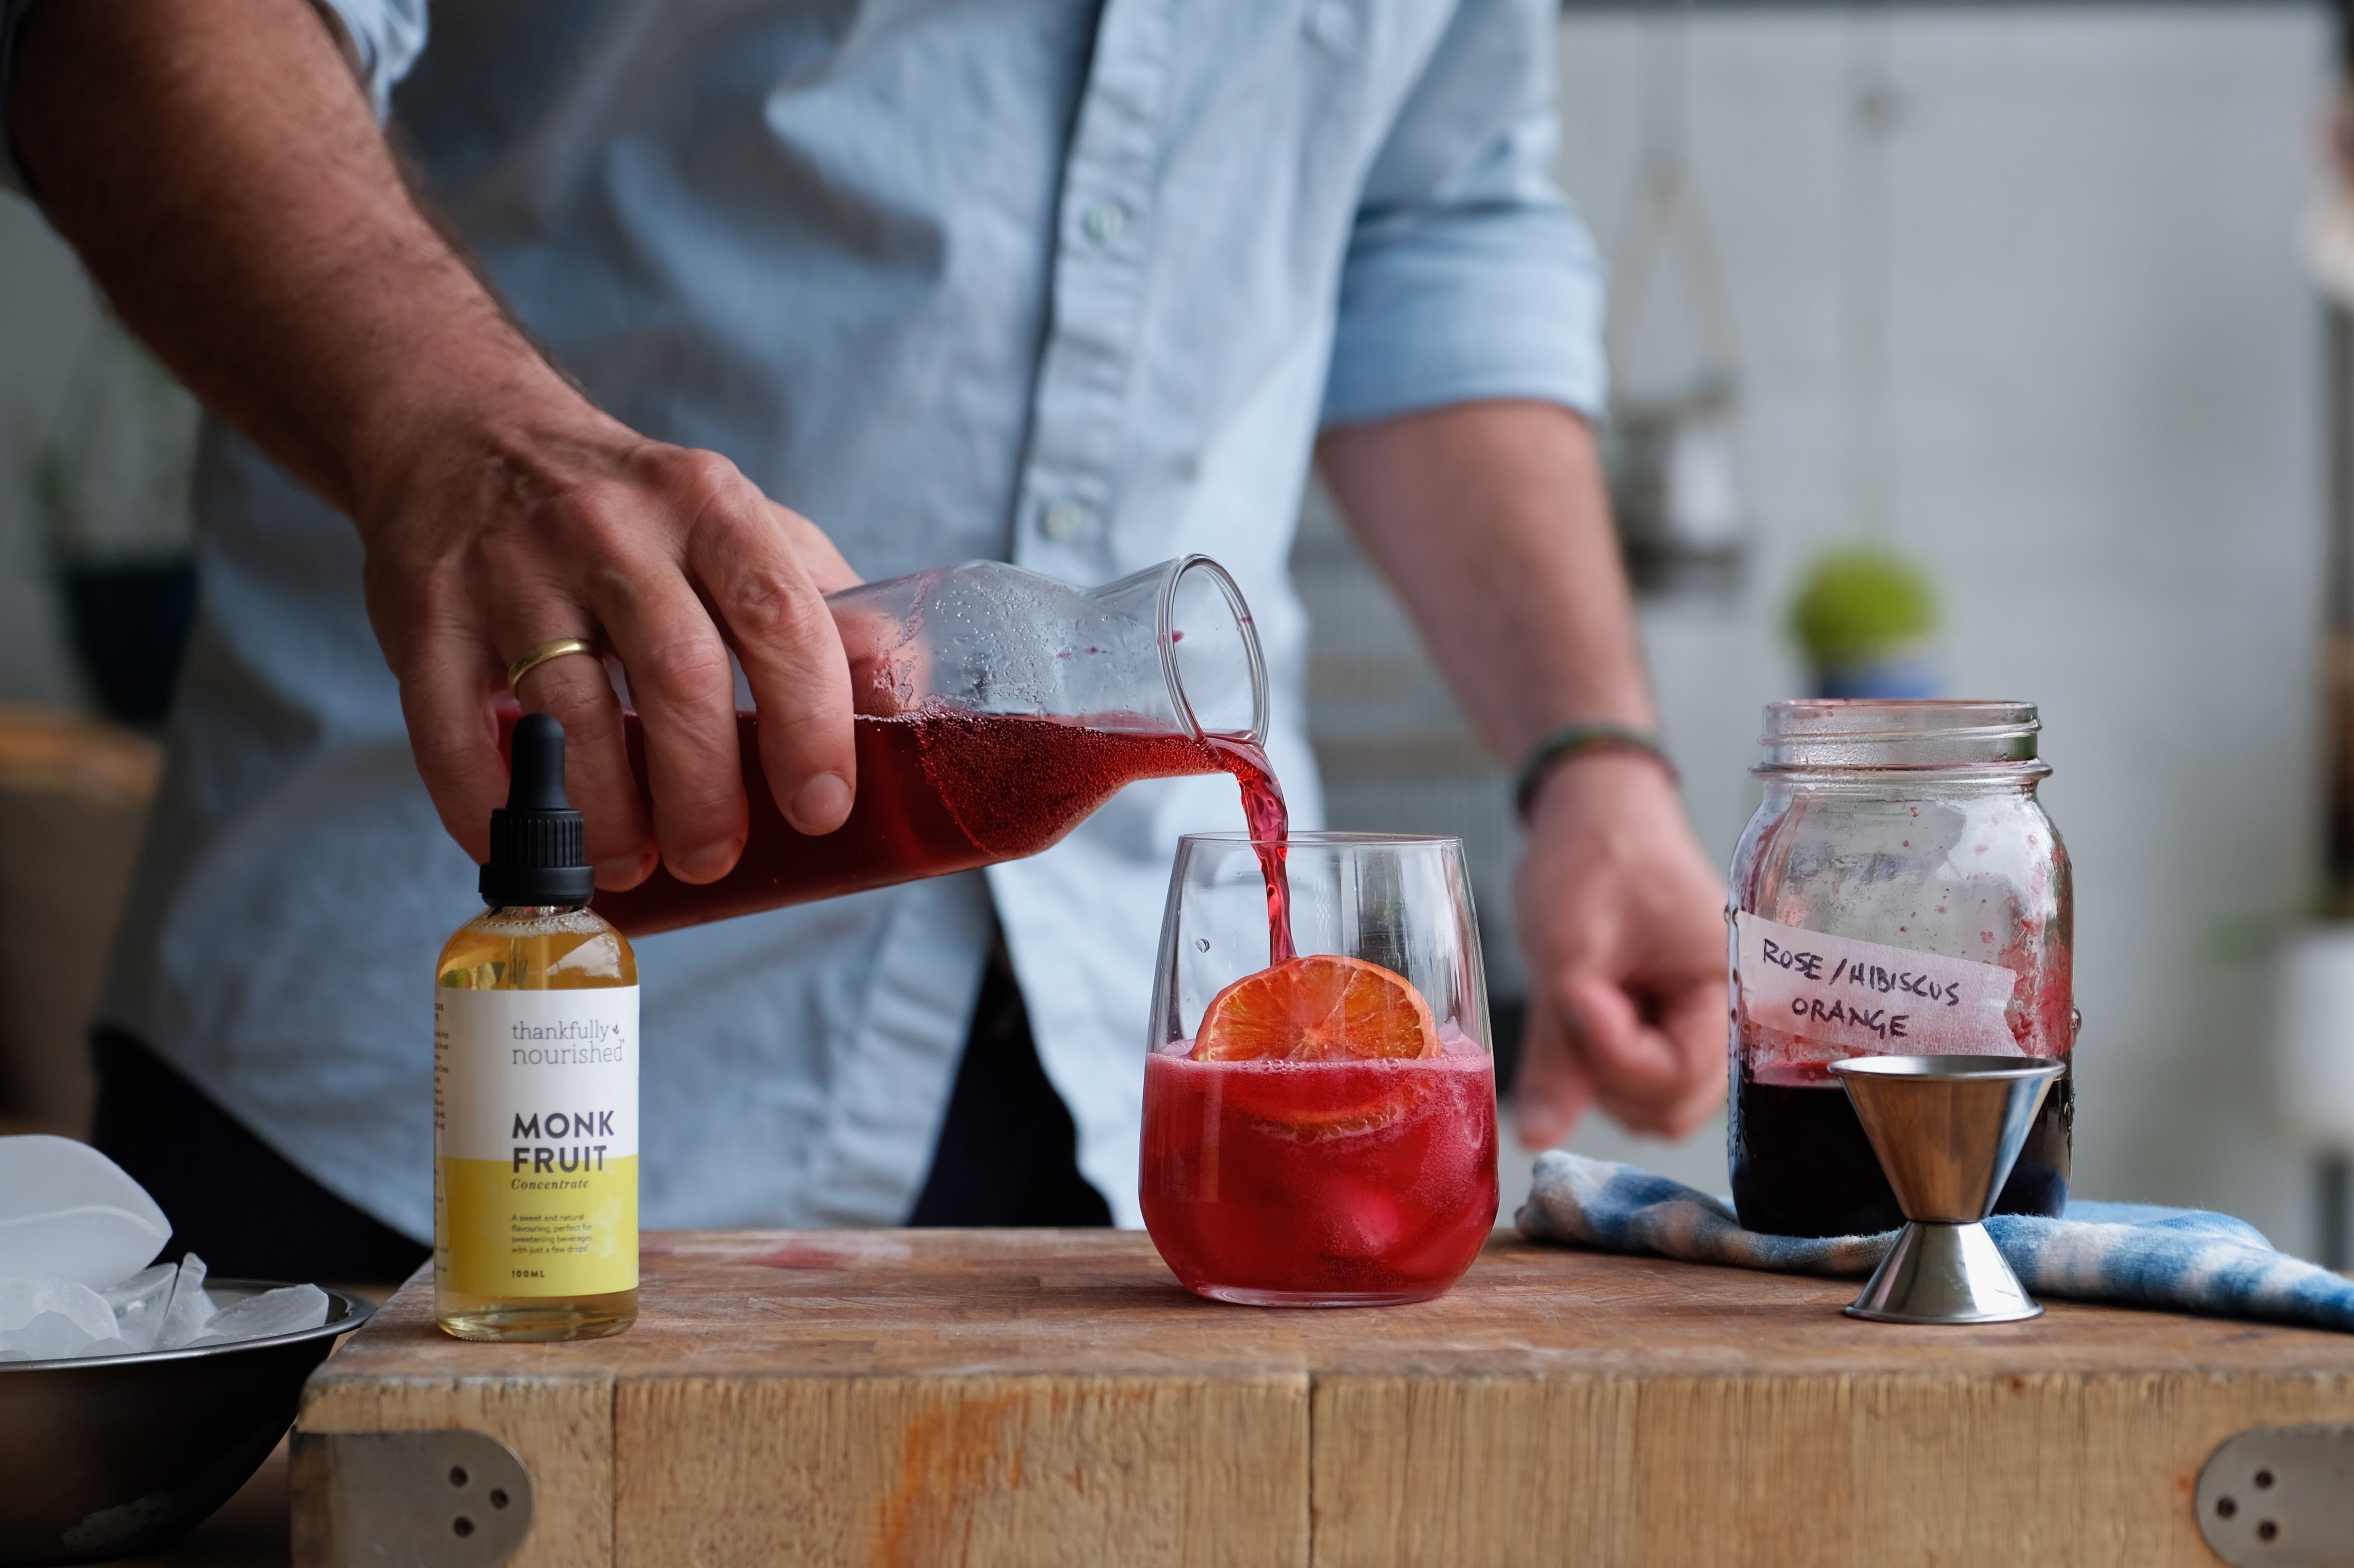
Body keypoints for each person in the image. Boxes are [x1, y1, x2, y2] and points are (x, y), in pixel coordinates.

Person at [1, 0, 1728, 1279]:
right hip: (430, 1085)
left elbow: (1431, 222)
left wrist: (1593, 762)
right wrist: (454, 437)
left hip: (1110, 1136)